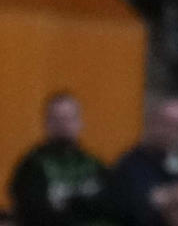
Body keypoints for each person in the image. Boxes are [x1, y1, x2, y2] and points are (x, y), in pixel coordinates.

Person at [8, 94, 111, 226]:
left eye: (69, 118)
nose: (63, 125)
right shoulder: (31, 167)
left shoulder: (94, 165)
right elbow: (32, 212)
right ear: (46, 124)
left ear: (80, 123)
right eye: (56, 119)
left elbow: (110, 206)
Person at [109, 97, 178, 226]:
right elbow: (128, 208)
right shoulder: (129, 165)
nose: (171, 131)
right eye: (166, 123)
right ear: (152, 122)